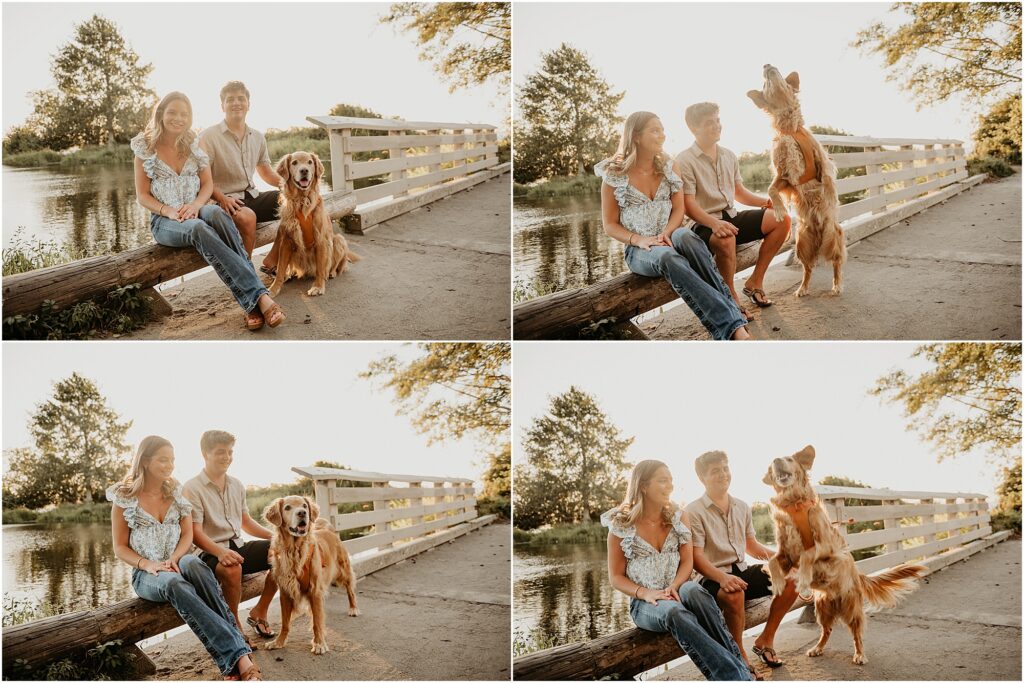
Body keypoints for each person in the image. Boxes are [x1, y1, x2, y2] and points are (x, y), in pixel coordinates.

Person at [108, 436, 261, 681]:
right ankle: (239, 657)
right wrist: (149, 564)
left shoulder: (176, 493)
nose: (169, 465)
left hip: (179, 561)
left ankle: (235, 653)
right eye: (163, 460)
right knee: (173, 582)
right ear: (145, 461)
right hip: (147, 573)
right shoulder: (125, 498)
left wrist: (175, 558)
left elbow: (188, 534)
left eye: (172, 460)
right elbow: (119, 547)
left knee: (194, 564)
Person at [131, 91, 284, 331]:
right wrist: (169, 211)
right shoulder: (145, 147)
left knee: (217, 215)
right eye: (172, 112)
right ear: (161, 114)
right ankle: (257, 299)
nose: (178, 118)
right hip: (165, 220)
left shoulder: (193, 144)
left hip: (195, 209)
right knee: (199, 228)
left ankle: (253, 303)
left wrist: (195, 205)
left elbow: (207, 185)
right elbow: (142, 196)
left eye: (184, 114)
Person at [596, 111, 751, 341]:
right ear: (636, 136)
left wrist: (667, 232)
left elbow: (679, 209)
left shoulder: (669, 167)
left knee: (686, 238)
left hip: (670, 234)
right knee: (667, 257)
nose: (662, 135)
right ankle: (733, 327)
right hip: (640, 249)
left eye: (663, 130)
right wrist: (640, 240)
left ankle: (731, 315)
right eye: (655, 130)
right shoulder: (614, 174)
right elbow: (609, 225)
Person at [601, 460, 752, 681]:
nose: (670, 486)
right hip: (646, 603)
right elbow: (615, 577)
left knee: (695, 591)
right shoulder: (621, 525)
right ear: (643, 485)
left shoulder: (679, 518)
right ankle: (735, 677)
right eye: (663, 481)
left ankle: (738, 668)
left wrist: (674, 586)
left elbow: (687, 563)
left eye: (671, 480)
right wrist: (646, 593)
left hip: (678, 589)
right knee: (673, 611)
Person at [685, 451, 801, 676]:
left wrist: (781, 559)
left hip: (742, 571)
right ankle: (739, 655)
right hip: (710, 577)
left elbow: (751, 546)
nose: (723, 474)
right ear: (702, 478)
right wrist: (722, 578)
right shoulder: (693, 511)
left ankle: (765, 639)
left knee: (792, 577)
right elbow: (695, 558)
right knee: (735, 592)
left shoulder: (741, 506)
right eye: (715, 471)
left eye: (725, 468)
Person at [675, 102, 791, 314]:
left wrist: (766, 202)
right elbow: (688, 205)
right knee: (726, 237)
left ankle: (755, 282)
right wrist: (715, 224)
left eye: (717, 120)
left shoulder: (728, 155)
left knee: (782, 219)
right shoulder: (684, 160)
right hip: (702, 224)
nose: (717, 125)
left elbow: (739, 192)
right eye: (709, 123)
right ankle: (731, 298)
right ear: (694, 129)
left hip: (731, 216)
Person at [182, 430, 279, 643]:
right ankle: (234, 624)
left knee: (282, 553)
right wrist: (220, 552)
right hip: (207, 551)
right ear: (205, 454)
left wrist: (277, 537)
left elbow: (246, 522)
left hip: (237, 545)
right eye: (220, 452)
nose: (227, 457)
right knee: (232, 568)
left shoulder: (236, 484)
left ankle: (260, 611)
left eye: (230, 452)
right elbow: (195, 533)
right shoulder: (192, 487)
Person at [198, 81, 284, 269]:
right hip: (222, 201)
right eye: (230, 99)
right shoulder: (208, 136)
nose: (236, 103)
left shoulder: (258, 136)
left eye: (241, 98)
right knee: (247, 217)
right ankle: (246, 272)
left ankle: (272, 259)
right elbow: (202, 180)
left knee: (292, 203)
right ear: (222, 106)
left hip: (251, 196)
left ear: (248, 104)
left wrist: (292, 187)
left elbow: (267, 173)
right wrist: (222, 199)